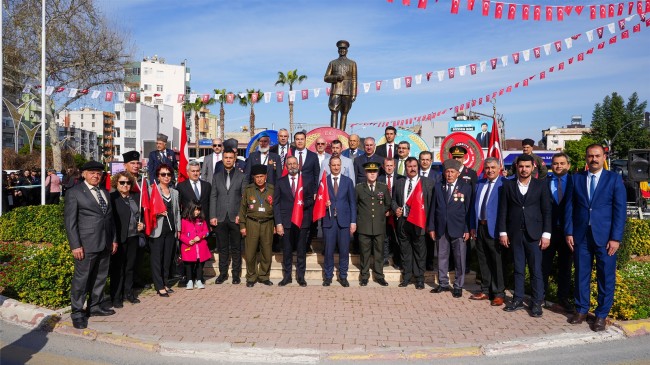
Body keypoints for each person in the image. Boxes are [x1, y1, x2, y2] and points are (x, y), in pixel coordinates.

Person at [565, 144, 626, 331]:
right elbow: (569, 207)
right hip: (581, 236)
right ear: (586, 157)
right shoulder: (576, 179)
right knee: (581, 275)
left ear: (603, 157)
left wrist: (615, 238)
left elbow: (620, 211)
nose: (594, 159)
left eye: (597, 156)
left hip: (606, 238)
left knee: (605, 277)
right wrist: (569, 232)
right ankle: (582, 310)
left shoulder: (614, 179)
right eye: (590, 156)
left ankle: (601, 315)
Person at [498, 154, 552, 317]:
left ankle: (536, 303)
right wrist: (503, 232)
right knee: (518, 269)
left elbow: (547, 211)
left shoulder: (541, 185)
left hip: (535, 234)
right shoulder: (507, 185)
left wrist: (546, 234)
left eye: (527, 166)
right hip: (515, 234)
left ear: (533, 167)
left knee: (536, 270)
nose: (524, 169)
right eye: (521, 166)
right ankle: (518, 299)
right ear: (517, 167)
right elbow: (503, 211)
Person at [64, 161, 116, 329]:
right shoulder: (75, 193)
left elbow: (110, 219)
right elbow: (70, 222)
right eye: (92, 172)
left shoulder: (105, 193)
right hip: (86, 245)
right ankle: (77, 312)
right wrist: (75, 245)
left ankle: (95, 306)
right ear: (84, 174)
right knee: (82, 279)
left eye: (99, 173)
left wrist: (113, 239)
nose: (96, 175)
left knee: (100, 277)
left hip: (105, 243)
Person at [429, 159, 472, 297]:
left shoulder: (466, 187)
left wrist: (467, 229)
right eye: (447, 172)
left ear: (458, 173)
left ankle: (458, 285)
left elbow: (468, 210)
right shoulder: (438, 186)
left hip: (459, 228)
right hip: (441, 228)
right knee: (442, 256)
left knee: (459, 258)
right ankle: (443, 283)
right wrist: (432, 227)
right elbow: (432, 209)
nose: (449, 174)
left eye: (452, 172)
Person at [469, 157, 506, 306]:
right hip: (480, 227)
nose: (490, 170)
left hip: (495, 229)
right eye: (487, 168)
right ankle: (485, 289)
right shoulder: (479, 183)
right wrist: (472, 225)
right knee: (483, 260)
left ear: (499, 169)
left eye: (492, 168)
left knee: (496, 262)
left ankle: (498, 293)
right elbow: (474, 207)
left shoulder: (504, 184)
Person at [393, 157, 434, 290]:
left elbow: (431, 205)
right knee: (405, 251)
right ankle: (406, 277)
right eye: (409, 166)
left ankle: (420, 279)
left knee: (420, 251)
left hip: (419, 221)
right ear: (405, 168)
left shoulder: (427, 183)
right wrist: (396, 209)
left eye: (415, 166)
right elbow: (393, 200)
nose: (412, 168)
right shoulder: (399, 183)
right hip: (404, 222)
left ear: (418, 167)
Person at [274, 156, 315, 287]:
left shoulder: (307, 180)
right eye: (289, 164)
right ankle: (287, 277)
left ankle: (301, 277)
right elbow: (276, 204)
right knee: (287, 251)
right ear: (286, 166)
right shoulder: (280, 182)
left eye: (294, 163)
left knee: (301, 250)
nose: (292, 166)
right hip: (286, 223)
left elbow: (311, 199)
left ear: (298, 165)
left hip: (302, 221)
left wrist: (301, 204)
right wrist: (278, 223)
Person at [543, 153, 574, 312]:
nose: (559, 166)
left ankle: (563, 299)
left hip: (568, 233)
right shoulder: (544, 182)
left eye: (562, 163)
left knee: (565, 267)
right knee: (544, 266)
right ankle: (540, 297)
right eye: (555, 163)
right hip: (548, 232)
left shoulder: (576, 182)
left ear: (568, 165)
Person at [210, 148, 247, 285]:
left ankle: (236, 275)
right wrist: (212, 215)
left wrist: (241, 215)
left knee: (236, 248)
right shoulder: (216, 176)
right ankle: (223, 274)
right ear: (222, 159)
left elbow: (244, 198)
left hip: (235, 216)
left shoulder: (242, 176)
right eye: (226, 157)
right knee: (222, 248)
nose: (228, 160)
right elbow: (213, 196)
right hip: (220, 217)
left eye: (231, 157)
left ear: (234, 159)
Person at [109, 171, 144, 308]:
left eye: (128, 182)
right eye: (122, 182)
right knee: (118, 268)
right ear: (116, 183)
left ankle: (128, 293)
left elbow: (141, 215)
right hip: (119, 238)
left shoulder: (136, 197)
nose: (125, 185)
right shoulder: (112, 198)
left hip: (133, 236)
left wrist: (143, 224)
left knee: (130, 267)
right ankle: (116, 296)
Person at [321, 156, 357, 287]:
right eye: (333, 165)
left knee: (344, 250)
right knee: (328, 250)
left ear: (341, 166)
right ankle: (328, 276)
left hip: (344, 221)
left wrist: (353, 221)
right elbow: (319, 201)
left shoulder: (348, 181)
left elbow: (352, 203)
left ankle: (343, 276)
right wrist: (324, 203)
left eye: (338, 165)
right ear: (329, 166)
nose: (336, 167)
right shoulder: (324, 181)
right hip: (329, 220)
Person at [239, 164, 275, 287]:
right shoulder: (248, 190)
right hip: (251, 223)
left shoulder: (272, 189)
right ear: (253, 177)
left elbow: (276, 209)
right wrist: (242, 226)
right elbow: (242, 210)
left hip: (267, 223)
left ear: (266, 176)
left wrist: (275, 225)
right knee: (250, 253)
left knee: (267, 252)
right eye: (256, 177)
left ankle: (264, 276)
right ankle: (251, 276)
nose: (259, 179)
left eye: (261, 176)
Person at [355, 162, 391, 287]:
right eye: (369, 172)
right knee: (364, 253)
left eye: (374, 172)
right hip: (364, 226)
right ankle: (364, 276)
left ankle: (379, 276)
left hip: (379, 226)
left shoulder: (383, 187)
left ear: (377, 173)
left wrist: (381, 214)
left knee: (379, 252)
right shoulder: (359, 187)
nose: (372, 174)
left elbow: (388, 203)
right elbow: (355, 205)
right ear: (365, 173)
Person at [149, 164, 181, 297]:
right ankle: (159, 285)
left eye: (169, 174)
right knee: (157, 258)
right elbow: (148, 211)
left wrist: (178, 228)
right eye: (163, 174)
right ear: (158, 176)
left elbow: (177, 210)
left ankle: (166, 282)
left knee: (168, 258)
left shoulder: (175, 192)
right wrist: (157, 213)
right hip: (157, 229)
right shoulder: (152, 191)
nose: (166, 177)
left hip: (171, 229)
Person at [324, 40, 357, 131]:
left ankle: (342, 133)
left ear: (347, 50)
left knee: (344, 112)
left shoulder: (352, 63)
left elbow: (354, 79)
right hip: (335, 90)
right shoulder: (332, 63)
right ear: (338, 50)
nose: (342, 50)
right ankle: (333, 131)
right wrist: (336, 77)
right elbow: (326, 78)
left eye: (344, 49)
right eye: (340, 49)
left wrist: (354, 94)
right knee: (334, 111)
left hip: (348, 91)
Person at [179, 199, 211, 290]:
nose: (197, 212)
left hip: (201, 247)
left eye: (199, 210)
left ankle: (199, 280)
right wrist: (187, 241)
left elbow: (206, 232)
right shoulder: (184, 220)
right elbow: (181, 234)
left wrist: (200, 236)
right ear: (190, 209)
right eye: (196, 209)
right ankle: (189, 280)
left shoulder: (202, 220)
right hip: (188, 247)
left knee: (200, 264)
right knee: (189, 265)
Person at [378, 158, 403, 268]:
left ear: (394, 166)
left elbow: (402, 197)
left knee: (397, 237)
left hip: (397, 213)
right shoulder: (379, 179)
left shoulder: (401, 179)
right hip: (383, 213)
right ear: (383, 166)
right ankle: (384, 258)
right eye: (387, 165)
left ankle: (397, 260)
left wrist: (395, 210)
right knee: (384, 237)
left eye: (391, 165)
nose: (389, 167)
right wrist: (385, 211)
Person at [419, 150, 441, 271]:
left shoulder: (437, 175)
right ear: (419, 161)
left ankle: (429, 262)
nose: (425, 162)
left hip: (431, 211)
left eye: (427, 159)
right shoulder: (414, 173)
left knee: (429, 238)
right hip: (417, 212)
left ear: (431, 161)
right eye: (423, 159)